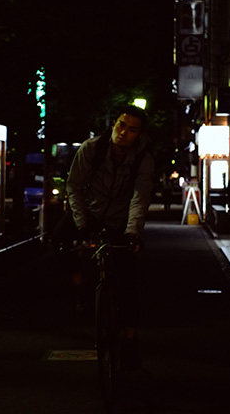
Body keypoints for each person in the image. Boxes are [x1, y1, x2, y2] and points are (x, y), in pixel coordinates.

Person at [52, 104, 155, 369]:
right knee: (58, 240)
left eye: (132, 130)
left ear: (140, 135)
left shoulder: (143, 159)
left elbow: (140, 198)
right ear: (113, 124)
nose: (124, 133)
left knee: (128, 275)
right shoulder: (92, 148)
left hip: (120, 219)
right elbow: (74, 186)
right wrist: (82, 224)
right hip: (89, 211)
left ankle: (129, 339)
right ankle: (81, 287)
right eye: (121, 125)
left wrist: (132, 233)